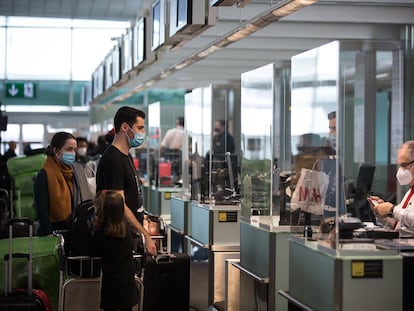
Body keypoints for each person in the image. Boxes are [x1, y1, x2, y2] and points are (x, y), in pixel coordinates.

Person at [96, 106, 157, 256]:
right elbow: (120, 205)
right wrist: (145, 234)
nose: (142, 133)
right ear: (125, 127)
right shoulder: (113, 159)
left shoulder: (126, 156)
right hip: (117, 238)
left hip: (128, 235)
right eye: (140, 128)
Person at [92, 190, 139, 311]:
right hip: (128, 284)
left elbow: (94, 251)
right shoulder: (127, 231)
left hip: (111, 286)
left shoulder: (102, 234)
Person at [33, 132, 77, 236]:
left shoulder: (72, 172)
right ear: (56, 151)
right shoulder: (44, 175)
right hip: (51, 233)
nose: (73, 153)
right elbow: (42, 211)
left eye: (74, 149)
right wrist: (49, 234)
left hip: (71, 231)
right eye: (69, 149)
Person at [368, 140, 414, 237]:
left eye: (404, 165)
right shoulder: (410, 192)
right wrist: (382, 213)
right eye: (399, 166)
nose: (400, 170)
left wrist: (392, 210)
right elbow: (402, 225)